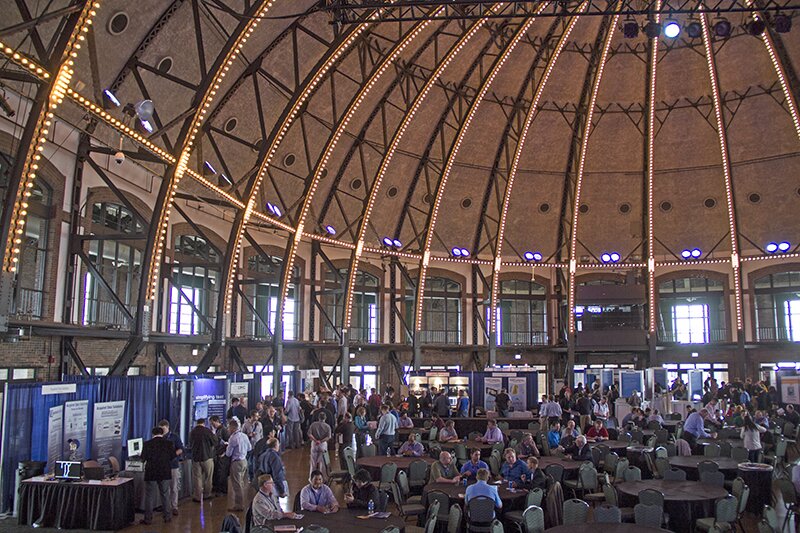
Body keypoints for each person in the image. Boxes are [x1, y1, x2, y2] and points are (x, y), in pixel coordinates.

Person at [140, 426, 176, 525]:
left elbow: (143, 458)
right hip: (165, 471)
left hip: (151, 472)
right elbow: (173, 456)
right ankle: (167, 517)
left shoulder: (147, 444)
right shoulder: (169, 443)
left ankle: (148, 519)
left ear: (153, 434)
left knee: (149, 496)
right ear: (162, 433)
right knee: (165, 494)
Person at [158, 419, 184, 516]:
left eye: (163, 429)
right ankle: (166, 506)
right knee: (164, 488)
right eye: (161, 429)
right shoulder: (159, 438)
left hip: (173, 465)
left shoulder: (174, 437)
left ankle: (174, 506)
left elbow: (181, 449)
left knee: (173, 487)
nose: (162, 431)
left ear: (168, 427)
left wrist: (173, 455)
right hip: (162, 466)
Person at [225, 418, 251, 512]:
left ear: (232, 427)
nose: (228, 429)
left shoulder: (233, 438)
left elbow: (228, 453)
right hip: (244, 461)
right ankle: (242, 502)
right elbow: (249, 448)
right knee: (242, 482)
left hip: (236, 462)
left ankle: (239, 505)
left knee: (237, 484)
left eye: (229, 427)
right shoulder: (244, 436)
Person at [189, 418, 218, 502]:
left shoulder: (192, 432)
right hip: (207, 457)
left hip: (196, 458)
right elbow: (215, 442)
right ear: (204, 423)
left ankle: (197, 496)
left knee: (197, 478)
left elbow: (190, 444)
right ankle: (207, 494)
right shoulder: (207, 431)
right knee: (208, 477)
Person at [308, 411, 332, 480]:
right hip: (323, 444)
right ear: (325, 418)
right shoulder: (327, 426)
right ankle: (323, 478)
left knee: (313, 462)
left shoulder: (313, 424)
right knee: (322, 463)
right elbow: (328, 437)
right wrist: (321, 441)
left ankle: (311, 478)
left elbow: (309, 434)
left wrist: (315, 440)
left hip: (314, 444)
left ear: (318, 418)